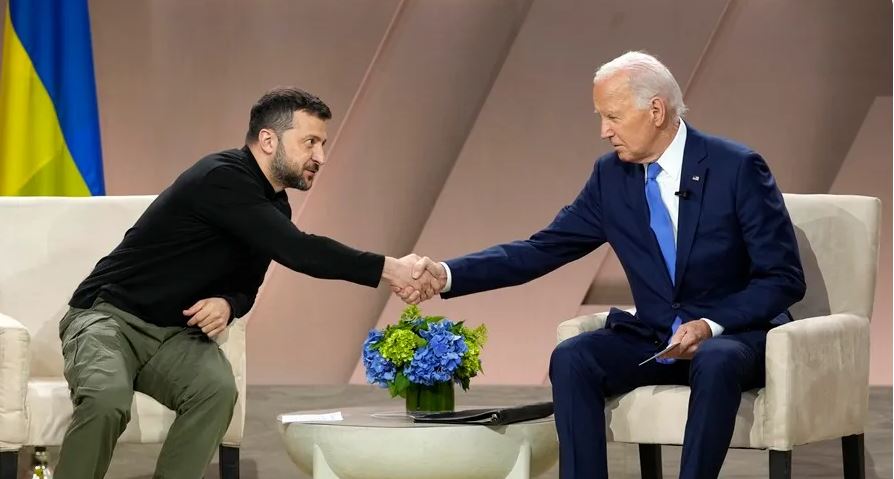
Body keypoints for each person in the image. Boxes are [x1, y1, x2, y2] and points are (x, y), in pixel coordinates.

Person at [402, 51, 806, 478]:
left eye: (611, 116)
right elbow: (542, 248)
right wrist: (446, 274)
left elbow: (782, 278)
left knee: (716, 359)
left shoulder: (736, 167)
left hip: (733, 337)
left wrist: (709, 324)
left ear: (655, 110)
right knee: (573, 358)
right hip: (655, 338)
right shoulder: (611, 177)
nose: (603, 131)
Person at [57, 87, 435, 478]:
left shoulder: (274, 203)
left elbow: (248, 286)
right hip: (109, 319)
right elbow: (299, 251)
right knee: (106, 399)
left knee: (215, 392)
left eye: (323, 144)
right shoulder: (222, 177)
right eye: (310, 142)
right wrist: (391, 269)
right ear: (269, 140)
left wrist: (227, 303)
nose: (320, 157)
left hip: (174, 334)